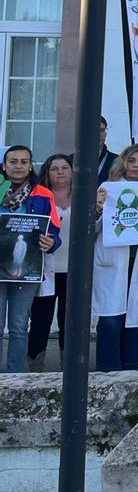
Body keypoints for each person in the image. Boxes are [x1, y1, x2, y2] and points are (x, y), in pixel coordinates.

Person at [94, 144, 138, 372]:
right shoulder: (107, 189)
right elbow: (91, 229)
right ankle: (107, 371)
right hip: (112, 263)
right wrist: (99, 209)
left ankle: (132, 370)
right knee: (111, 320)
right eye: (131, 160)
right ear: (123, 162)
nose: (136, 165)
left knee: (135, 321)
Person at [0, 146, 60, 373]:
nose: (18, 166)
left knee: (18, 325)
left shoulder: (44, 194)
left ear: (30, 165)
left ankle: (15, 377)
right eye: (13, 161)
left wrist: (51, 242)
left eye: (24, 162)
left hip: (28, 267)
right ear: (4, 165)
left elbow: (54, 229)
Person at [27, 154, 73, 371]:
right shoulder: (39, 198)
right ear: (47, 172)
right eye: (55, 168)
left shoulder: (84, 197)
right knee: (40, 319)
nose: (60, 172)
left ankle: (69, 367)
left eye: (65, 167)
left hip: (73, 269)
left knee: (69, 321)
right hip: (45, 267)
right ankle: (35, 368)